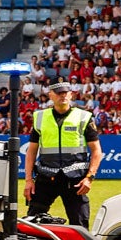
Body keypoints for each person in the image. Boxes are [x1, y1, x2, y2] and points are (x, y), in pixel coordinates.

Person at [23, 81, 102, 227]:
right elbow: (31, 151)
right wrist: (28, 180)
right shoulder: (40, 117)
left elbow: (97, 150)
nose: (63, 95)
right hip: (46, 178)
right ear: (50, 95)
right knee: (32, 222)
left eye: (66, 92)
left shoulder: (83, 117)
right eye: (59, 93)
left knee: (80, 224)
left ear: (71, 95)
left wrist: (89, 178)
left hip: (75, 180)